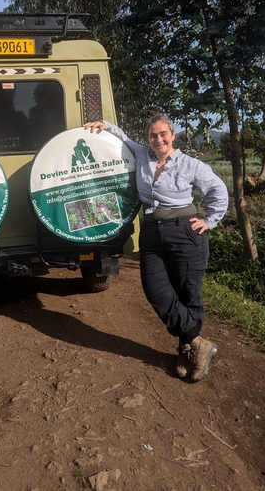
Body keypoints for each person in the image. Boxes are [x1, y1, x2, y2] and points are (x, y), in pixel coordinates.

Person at [84, 114, 228, 382]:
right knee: (156, 290)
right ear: (148, 138)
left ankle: (187, 349)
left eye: (163, 134)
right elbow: (122, 137)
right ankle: (199, 343)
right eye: (153, 135)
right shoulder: (142, 155)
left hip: (184, 232)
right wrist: (104, 126)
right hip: (151, 233)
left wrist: (209, 221)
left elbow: (217, 190)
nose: (158, 139)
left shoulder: (189, 164)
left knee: (188, 293)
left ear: (172, 135)